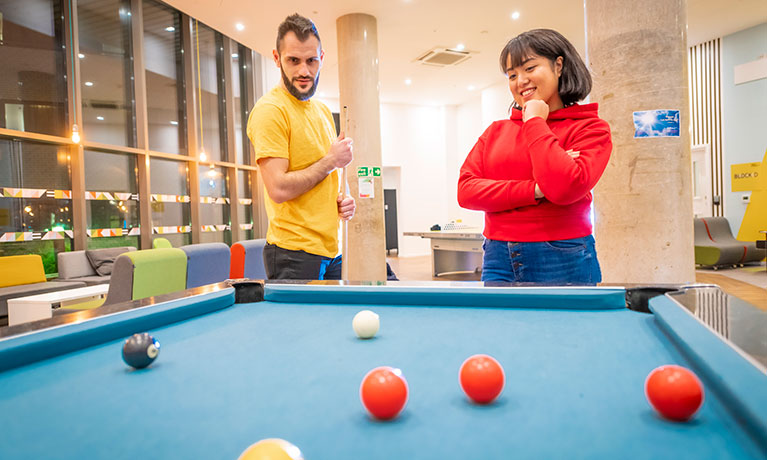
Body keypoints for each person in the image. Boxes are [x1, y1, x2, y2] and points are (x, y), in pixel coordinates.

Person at [457, 29, 612, 284]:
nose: (521, 81)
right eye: (512, 75)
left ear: (558, 65)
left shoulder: (590, 128)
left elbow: (564, 188)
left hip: (562, 252)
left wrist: (535, 122)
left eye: (530, 68)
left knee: (565, 326)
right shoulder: (496, 131)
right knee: (503, 325)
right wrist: (537, 190)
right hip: (497, 254)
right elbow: (466, 191)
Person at [247, 14, 355, 280]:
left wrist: (341, 202)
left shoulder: (321, 110)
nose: (304, 71)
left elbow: (325, 173)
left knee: (335, 323)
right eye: (293, 60)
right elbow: (279, 188)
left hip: (331, 251)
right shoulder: (270, 111)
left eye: (311, 60)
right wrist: (332, 161)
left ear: (322, 58)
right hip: (292, 253)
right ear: (276, 58)